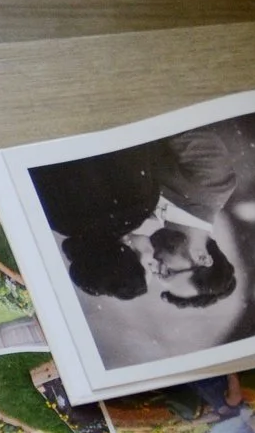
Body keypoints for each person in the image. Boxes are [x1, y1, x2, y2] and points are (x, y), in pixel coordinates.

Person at [29, 128, 242, 309]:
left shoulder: (131, 222)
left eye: (158, 274)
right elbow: (168, 112)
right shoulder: (214, 183)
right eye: (168, 271)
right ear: (202, 258)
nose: (156, 266)